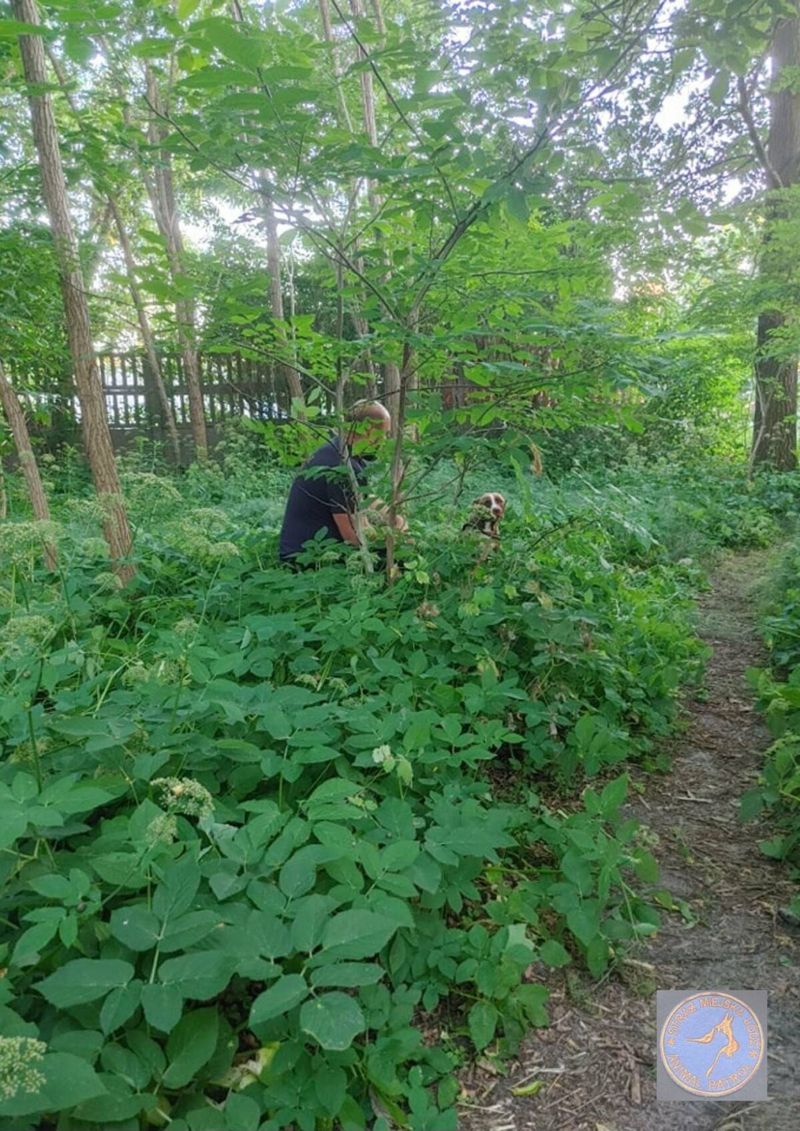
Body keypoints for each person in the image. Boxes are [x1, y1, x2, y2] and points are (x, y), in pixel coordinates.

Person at [278, 401, 392, 568]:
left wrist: (394, 518)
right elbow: (354, 536)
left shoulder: (339, 450)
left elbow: (364, 498)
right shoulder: (343, 468)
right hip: (307, 561)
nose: (385, 440)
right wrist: (392, 541)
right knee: (394, 560)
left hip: (305, 551)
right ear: (368, 430)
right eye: (384, 434)